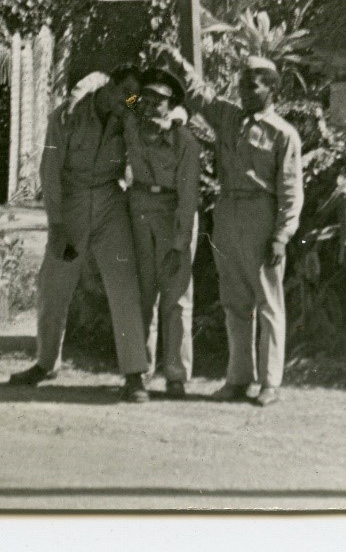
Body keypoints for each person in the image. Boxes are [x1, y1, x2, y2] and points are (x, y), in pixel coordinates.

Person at [9, 65, 152, 403]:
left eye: (133, 96)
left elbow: (140, 133)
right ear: (109, 85)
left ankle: (134, 375)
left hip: (109, 203)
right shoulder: (67, 116)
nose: (128, 101)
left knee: (123, 284)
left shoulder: (127, 109)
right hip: (72, 207)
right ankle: (45, 363)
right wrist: (56, 224)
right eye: (126, 93)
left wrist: (132, 117)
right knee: (54, 285)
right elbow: (50, 171)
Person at [185, 55, 303, 407]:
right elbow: (198, 94)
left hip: (261, 214)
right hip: (228, 211)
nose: (246, 91)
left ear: (272, 88)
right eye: (242, 84)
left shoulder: (283, 134)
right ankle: (238, 378)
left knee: (268, 301)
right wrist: (176, 61)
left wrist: (282, 235)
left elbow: (291, 190)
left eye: (254, 84)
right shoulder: (228, 118)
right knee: (234, 301)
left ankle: (270, 382)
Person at [123, 68, 202, 399]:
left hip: (174, 213)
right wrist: (135, 97)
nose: (150, 105)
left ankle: (176, 375)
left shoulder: (184, 141)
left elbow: (188, 197)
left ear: (171, 105)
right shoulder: (131, 123)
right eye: (147, 98)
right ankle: (137, 375)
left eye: (160, 101)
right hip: (141, 207)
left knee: (176, 297)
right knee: (141, 294)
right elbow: (124, 102)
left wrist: (181, 240)